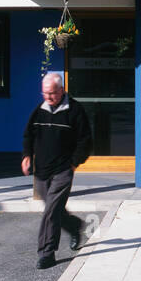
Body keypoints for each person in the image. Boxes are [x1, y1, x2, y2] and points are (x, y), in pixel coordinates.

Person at [22, 72, 94, 269]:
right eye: (45, 93)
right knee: (54, 210)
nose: (48, 97)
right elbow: (28, 135)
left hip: (63, 169)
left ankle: (46, 253)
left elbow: (85, 141)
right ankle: (74, 226)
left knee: (51, 211)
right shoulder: (39, 110)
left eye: (52, 93)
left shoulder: (75, 110)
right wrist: (26, 156)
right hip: (42, 170)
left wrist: (74, 162)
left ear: (61, 90)